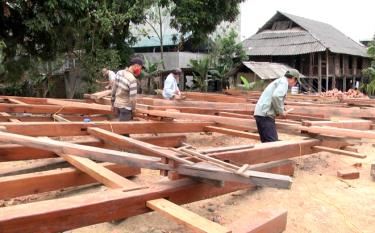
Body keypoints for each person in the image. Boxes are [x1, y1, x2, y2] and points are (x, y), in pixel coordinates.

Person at [254, 69, 300, 143]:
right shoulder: (284, 82)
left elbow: (276, 98)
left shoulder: (279, 81)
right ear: (294, 79)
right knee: (273, 144)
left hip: (260, 114)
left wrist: (282, 109)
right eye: (296, 82)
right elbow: (276, 96)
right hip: (266, 115)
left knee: (266, 144)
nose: (294, 85)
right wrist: (281, 112)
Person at [111, 57, 143, 121]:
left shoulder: (119, 72)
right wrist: (133, 110)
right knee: (124, 128)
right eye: (140, 68)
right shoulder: (132, 79)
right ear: (136, 66)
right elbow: (133, 99)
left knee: (120, 125)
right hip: (126, 108)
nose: (140, 70)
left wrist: (112, 103)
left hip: (117, 105)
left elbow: (114, 89)